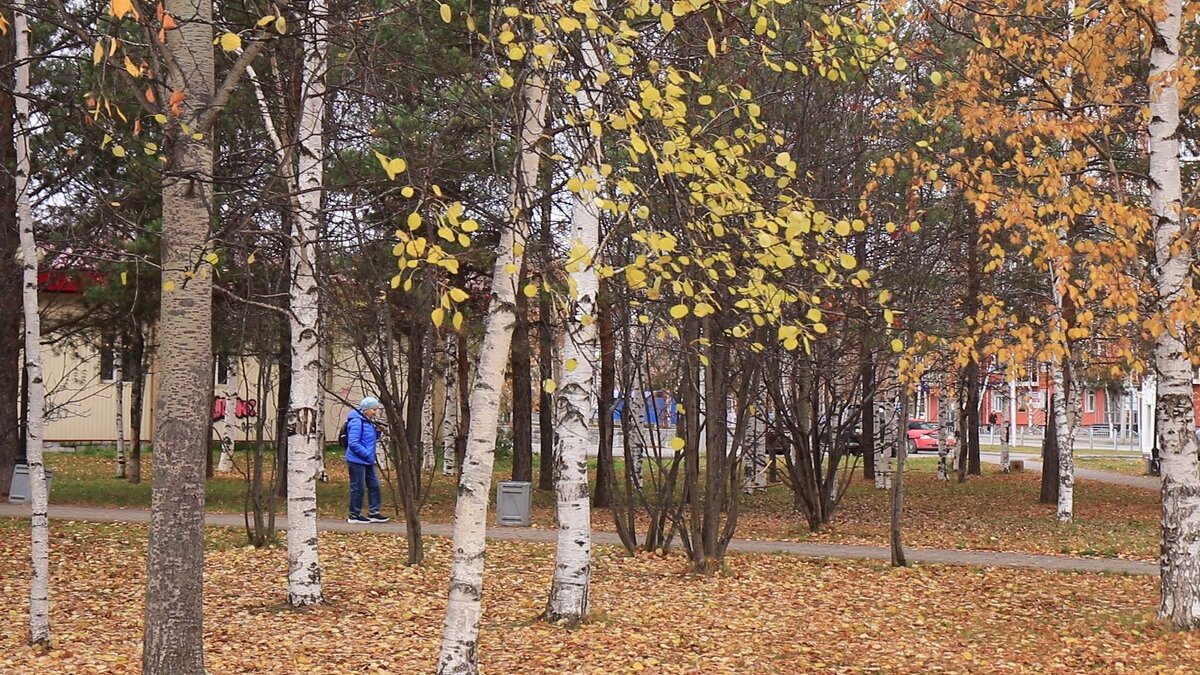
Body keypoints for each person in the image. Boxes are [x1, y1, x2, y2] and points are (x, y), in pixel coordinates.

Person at [346, 396, 388, 524]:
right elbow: (353, 443)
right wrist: (367, 454)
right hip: (356, 460)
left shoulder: (368, 421)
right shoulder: (356, 421)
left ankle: (374, 512)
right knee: (358, 487)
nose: (375, 412)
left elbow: (369, 440)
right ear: (365, 409)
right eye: (373, 409)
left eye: (376, 409)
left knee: (375, 485)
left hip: (367, 460)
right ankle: (354, 515)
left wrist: (378, 432)